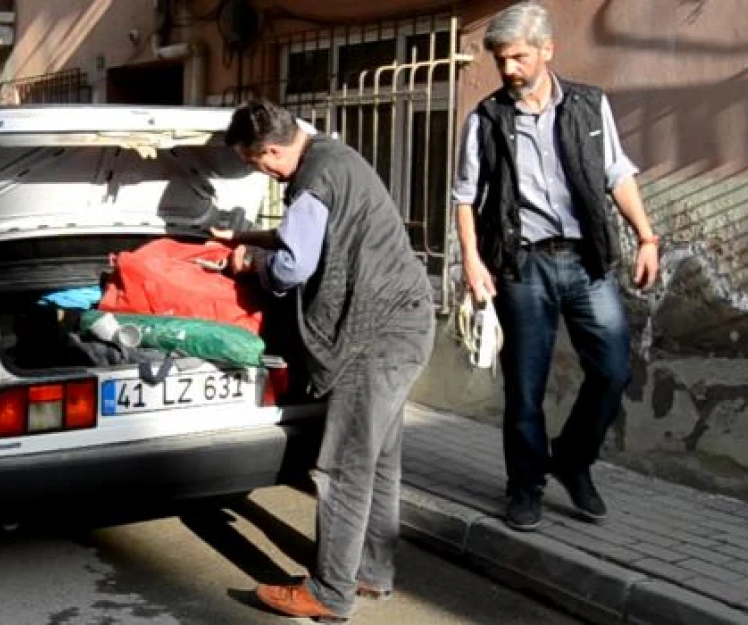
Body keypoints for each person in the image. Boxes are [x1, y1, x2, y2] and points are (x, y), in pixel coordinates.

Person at [211, 98, 434, 622]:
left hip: (370, 337)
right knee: (379, 460)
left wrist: (252, 261)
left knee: (341, 467)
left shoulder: (311, 183)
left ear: (269, 151)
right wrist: (245, 235)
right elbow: (317, 232)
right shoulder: (335, 158)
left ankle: (330, 594)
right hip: (408, 324)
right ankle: (372, 574)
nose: (259, 172)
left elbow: (291, 268)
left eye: (253, 162)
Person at [452, 1, 659, 532]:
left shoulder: (590, 106)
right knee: (525, 385)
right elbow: (465, 197)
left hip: (587, 260)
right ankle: (524, 487)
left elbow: (617, 173)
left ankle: (571, 459)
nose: (509, 69)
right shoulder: (487, 118)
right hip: (523, 267)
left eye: (518, 56)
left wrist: (646, 236)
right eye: (501, 59)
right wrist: (472, 262)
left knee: (613, 370)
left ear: (547, 50)